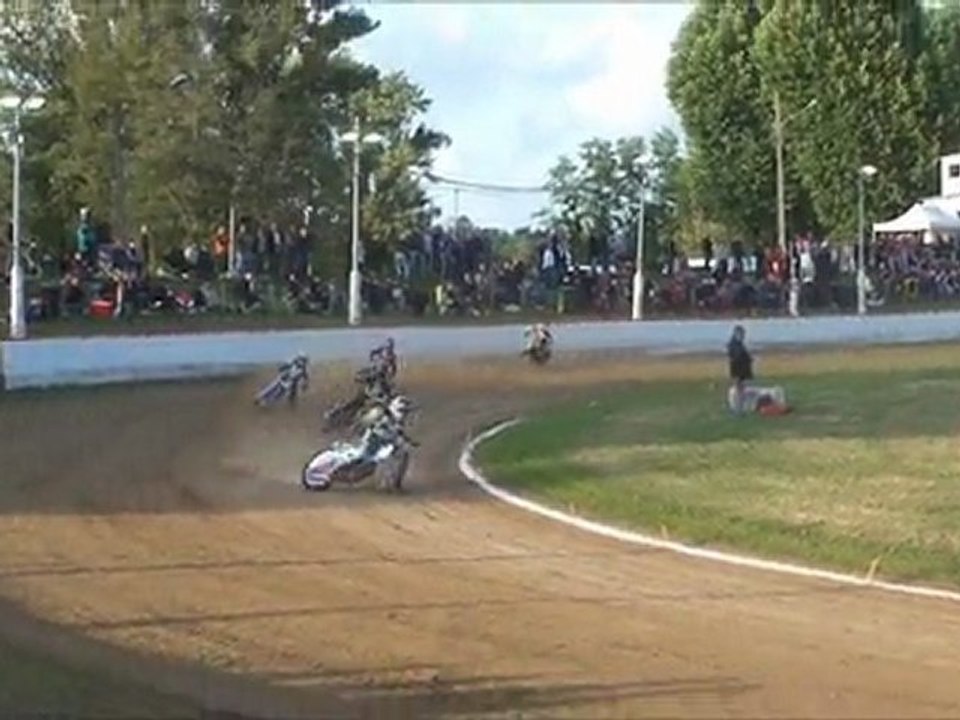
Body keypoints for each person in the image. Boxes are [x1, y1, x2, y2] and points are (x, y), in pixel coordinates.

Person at [727, 325, 753, 414]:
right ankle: (737, 408)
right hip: (738, 369)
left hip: (740, 368)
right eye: (741, 334)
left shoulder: (737, 344)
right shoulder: (734, 344)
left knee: (741, 389)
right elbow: (737, 356)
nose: (743, 336)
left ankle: (739, 407)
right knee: (739, 389)